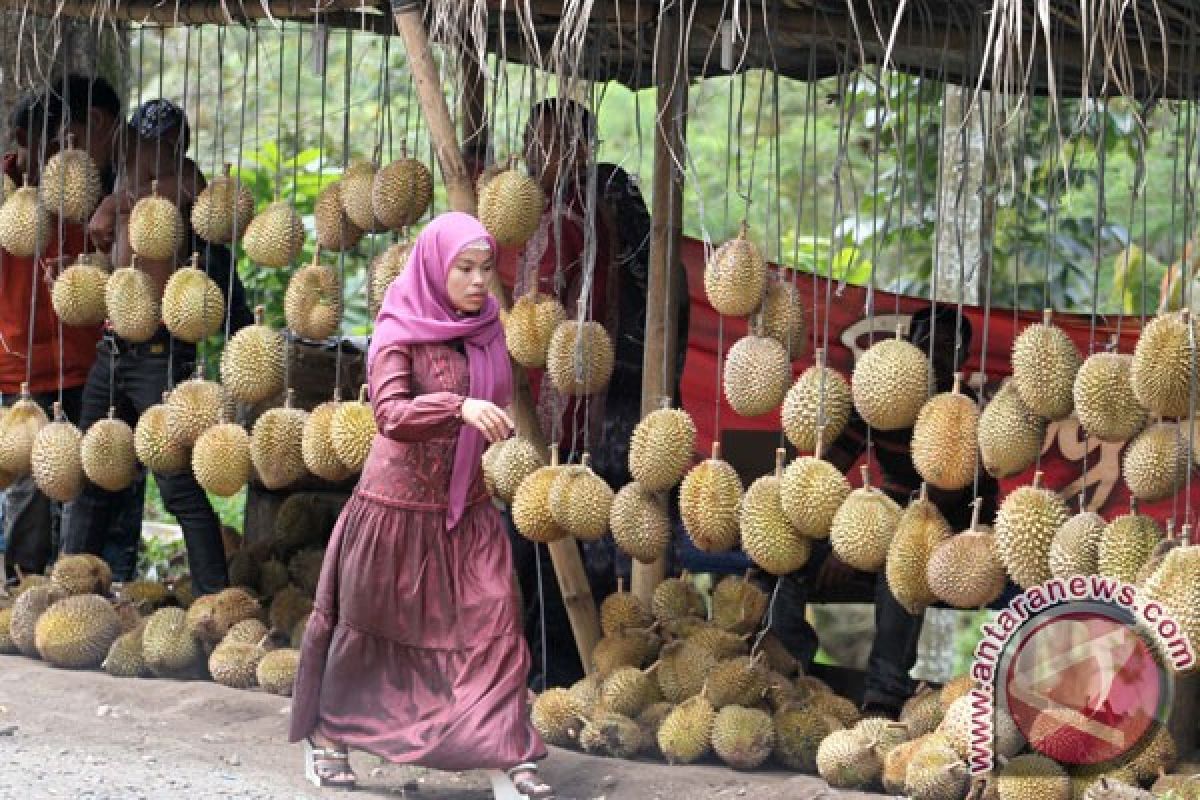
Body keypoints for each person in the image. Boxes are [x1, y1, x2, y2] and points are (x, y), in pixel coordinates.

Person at [289, 212, 551, 797]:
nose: (479, 282)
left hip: (465, 507)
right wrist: (456, 407)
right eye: (465, 269)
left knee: (494, 622)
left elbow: (497, 396)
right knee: (375, 631)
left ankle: (505, 756)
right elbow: (390, 414)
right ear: (436, 268)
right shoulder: (398, 328)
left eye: (486, 269)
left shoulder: (488, 329)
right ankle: (328, 736)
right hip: (395, 508)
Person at [767, 304, 1000, 718]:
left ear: (964, 359)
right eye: (928, 342)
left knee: (901, 574)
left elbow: (942, 498)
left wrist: (863, 539)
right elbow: (831, 466)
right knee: (788, 561)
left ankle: (884, 696)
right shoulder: (880, 395)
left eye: (951, 346)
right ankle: (787, 670)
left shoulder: (968, 411)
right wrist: (820, 520)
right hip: (878, 523)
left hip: (947, 543)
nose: (938, 354)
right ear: (910, 345)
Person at [60, 99, 252, 595]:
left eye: (73, 136)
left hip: (159, 354)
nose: (68, 149)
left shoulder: (164, 166)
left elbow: (194, 187)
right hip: (114, 348)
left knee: (177, 484)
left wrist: (116, 203)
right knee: (90, 473)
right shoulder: (116, 168)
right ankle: (71, 595)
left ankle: (216, 600)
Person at [491, 98, 623, 689]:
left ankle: (546, 671)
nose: (535, 155)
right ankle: (552, 667)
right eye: (531, 141)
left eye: (549, 144)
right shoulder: (596, 215)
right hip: (577, 410)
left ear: (579, 150)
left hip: (553, 414)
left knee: (536, 544)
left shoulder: (561, 221)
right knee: (546, 542)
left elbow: (534, 320)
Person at [0, 75, 145, 583]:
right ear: (23, 141)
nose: (65, 156)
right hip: (18, 371)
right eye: (54, 145)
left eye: (71, 143)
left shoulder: (101, 189)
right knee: (29, 494)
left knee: (102, 483)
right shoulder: (7, 195)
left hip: (91, 364)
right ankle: (21, 584)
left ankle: (100, 583)